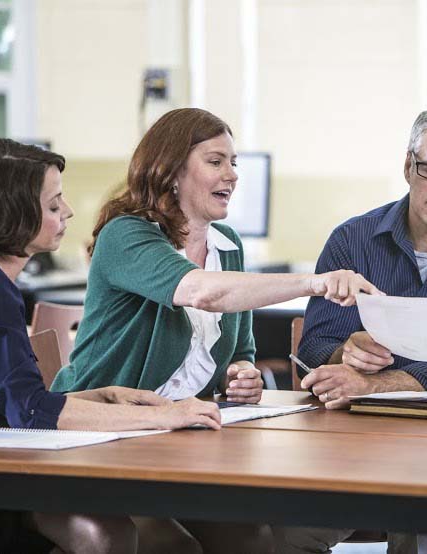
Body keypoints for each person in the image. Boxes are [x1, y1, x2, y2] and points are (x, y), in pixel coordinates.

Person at [49, 107, 379, 553]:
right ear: (171, 171)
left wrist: (240, 372)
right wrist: (314, 283)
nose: (232, 174)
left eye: (234, 162)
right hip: (107, 435)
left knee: (252, 540)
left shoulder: (228, 244)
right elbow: (201, 292)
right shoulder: (126, 235)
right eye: (215, 161)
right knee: (174, 548)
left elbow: (241, 345)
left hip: (178, 439)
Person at [274, 104, 427, 554]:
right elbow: (313, 346)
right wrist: (344, 353)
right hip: (352, 443)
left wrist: (370, 385)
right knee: (282, 535)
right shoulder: (351, 240)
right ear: (408, 165)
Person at [0, 138, 222, 553]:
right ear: (13, 215)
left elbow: (4, 398)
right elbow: (31, 410)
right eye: (54, 205)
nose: (68, 212)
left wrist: (98, 396)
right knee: (111, 533)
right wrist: (166, 418)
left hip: (1, 464)